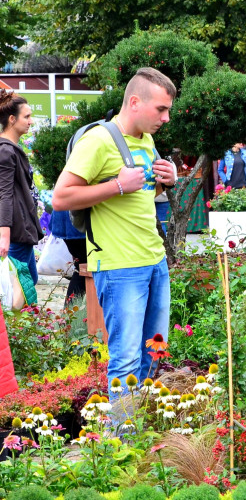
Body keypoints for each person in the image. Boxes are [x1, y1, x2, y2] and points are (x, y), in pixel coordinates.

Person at [52, 67, 179, 393]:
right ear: (135, 102)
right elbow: (61, 197)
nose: (166, 118)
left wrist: (167, 181)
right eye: (161, 109)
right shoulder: (99, 140)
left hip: (154, 262)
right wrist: (117, 185)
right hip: (119, 267)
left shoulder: (146, 140)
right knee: (125, 360)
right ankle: (125, 440)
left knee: (155, 351)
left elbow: (144, 196)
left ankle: (148, 431)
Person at [0, 91, 44, 286]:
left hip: (21, 232)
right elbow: (4, 194)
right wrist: (4, 236)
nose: (31, 121)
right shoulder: (5, 150)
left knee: (28, 283)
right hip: (15, 233)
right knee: (18, 291)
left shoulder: (10, 148)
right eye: (26, 116)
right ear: (12, 119)